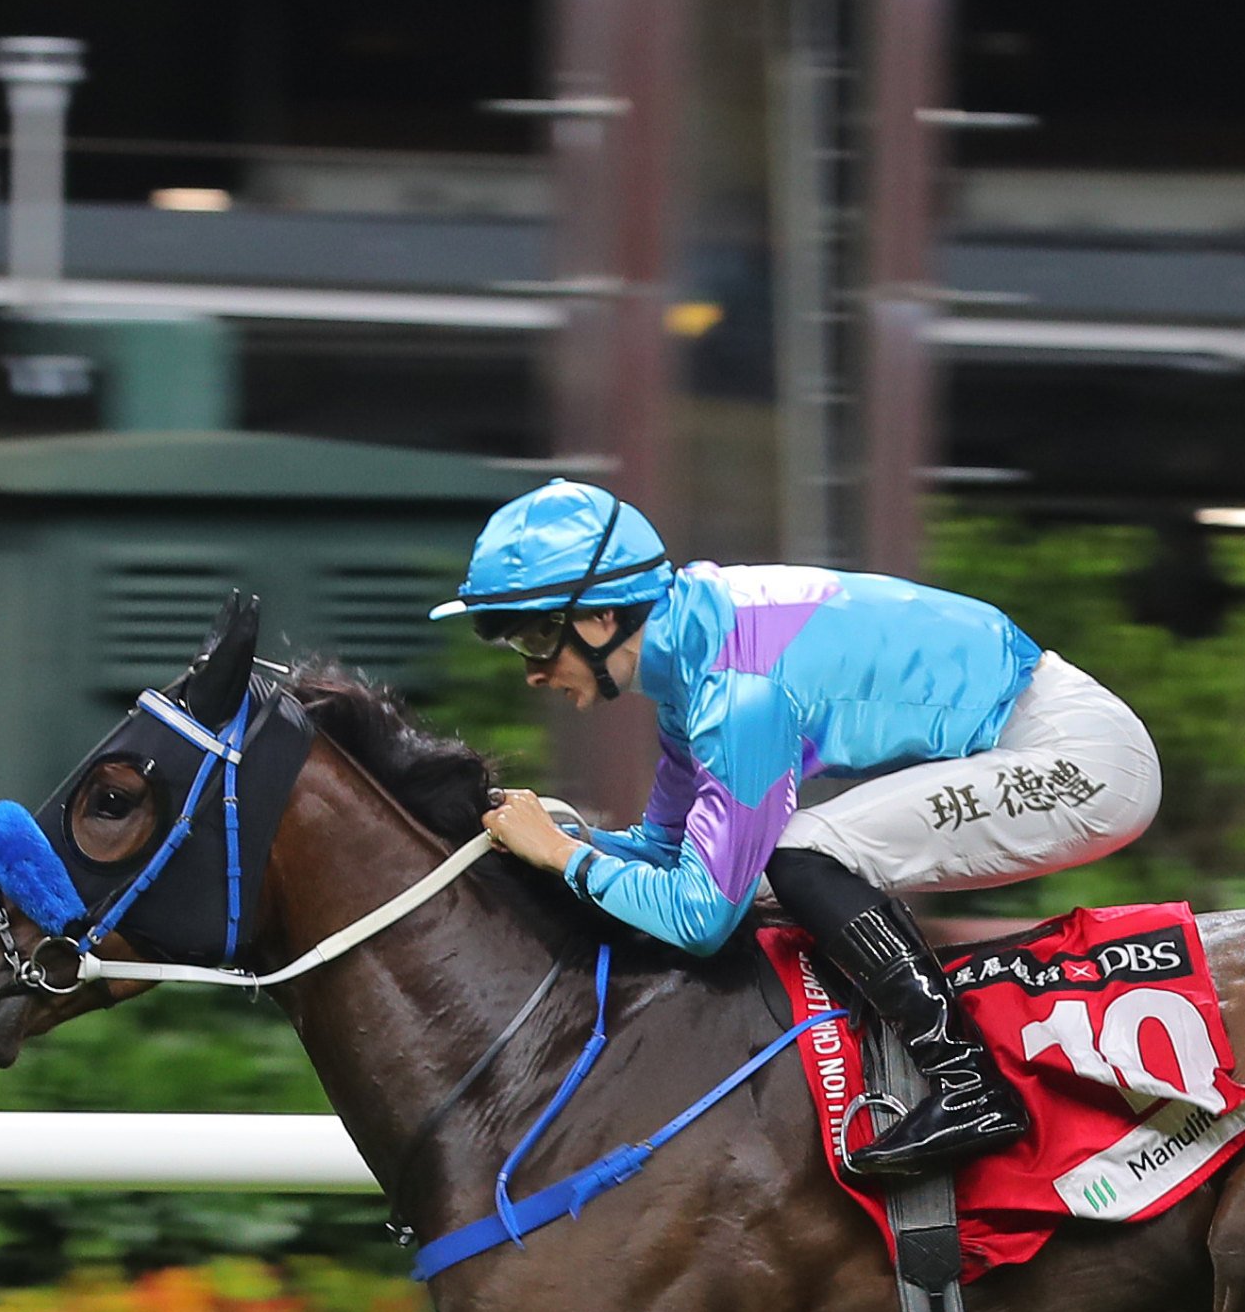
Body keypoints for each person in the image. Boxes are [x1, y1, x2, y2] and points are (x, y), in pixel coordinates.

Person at [434, 480, 1162, 1184]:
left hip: (1079, 760)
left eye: (534, 637)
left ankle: (970, 1087)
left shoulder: (736, 690)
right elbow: (666, 852)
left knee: (803, 853)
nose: (531, 672)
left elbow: (699, 919)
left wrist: (563, 855)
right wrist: (559, 842)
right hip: (1033, 734)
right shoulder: (697, 664)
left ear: (600, 620)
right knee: (805, 851)